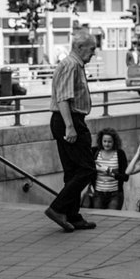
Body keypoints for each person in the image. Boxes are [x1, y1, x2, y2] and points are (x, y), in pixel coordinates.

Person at [43, 29, 98, 232]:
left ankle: (72, 215)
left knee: (72, 171)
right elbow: (63, 98)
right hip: (69, 120)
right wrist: (70, 126)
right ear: (80, 47)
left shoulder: (73, 65)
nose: (93, 53)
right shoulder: (71, 65)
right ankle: (58, 208)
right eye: (91, 49)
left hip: (66, 119)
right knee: (87, 169)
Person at [89, 128, 129, 211]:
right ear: (101, 141)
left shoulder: (120, 153)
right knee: (98, 216)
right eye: (104, 141)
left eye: (109, 142)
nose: (107, 144)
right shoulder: (94, 151)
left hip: (115, 194)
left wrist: (110, 172)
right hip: (97, 193)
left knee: (112, 216)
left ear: (114, 142)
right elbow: (86, 169)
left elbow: (125, 177)